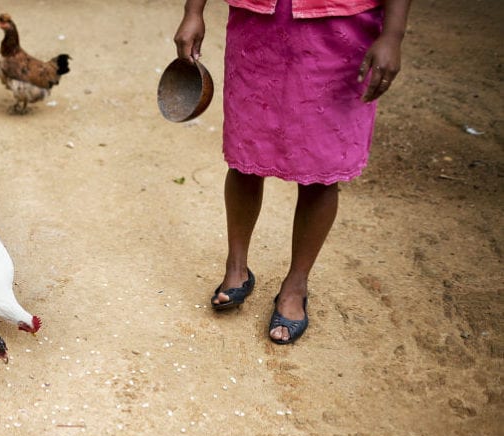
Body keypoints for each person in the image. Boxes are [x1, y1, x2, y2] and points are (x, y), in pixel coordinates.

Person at [174, 0, 411, 344]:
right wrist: (193, 11)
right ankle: (236, 267)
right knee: (245, 155)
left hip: (339, 31)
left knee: (321, 166)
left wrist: (393, 34)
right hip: (258, 25)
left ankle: (296, 284)